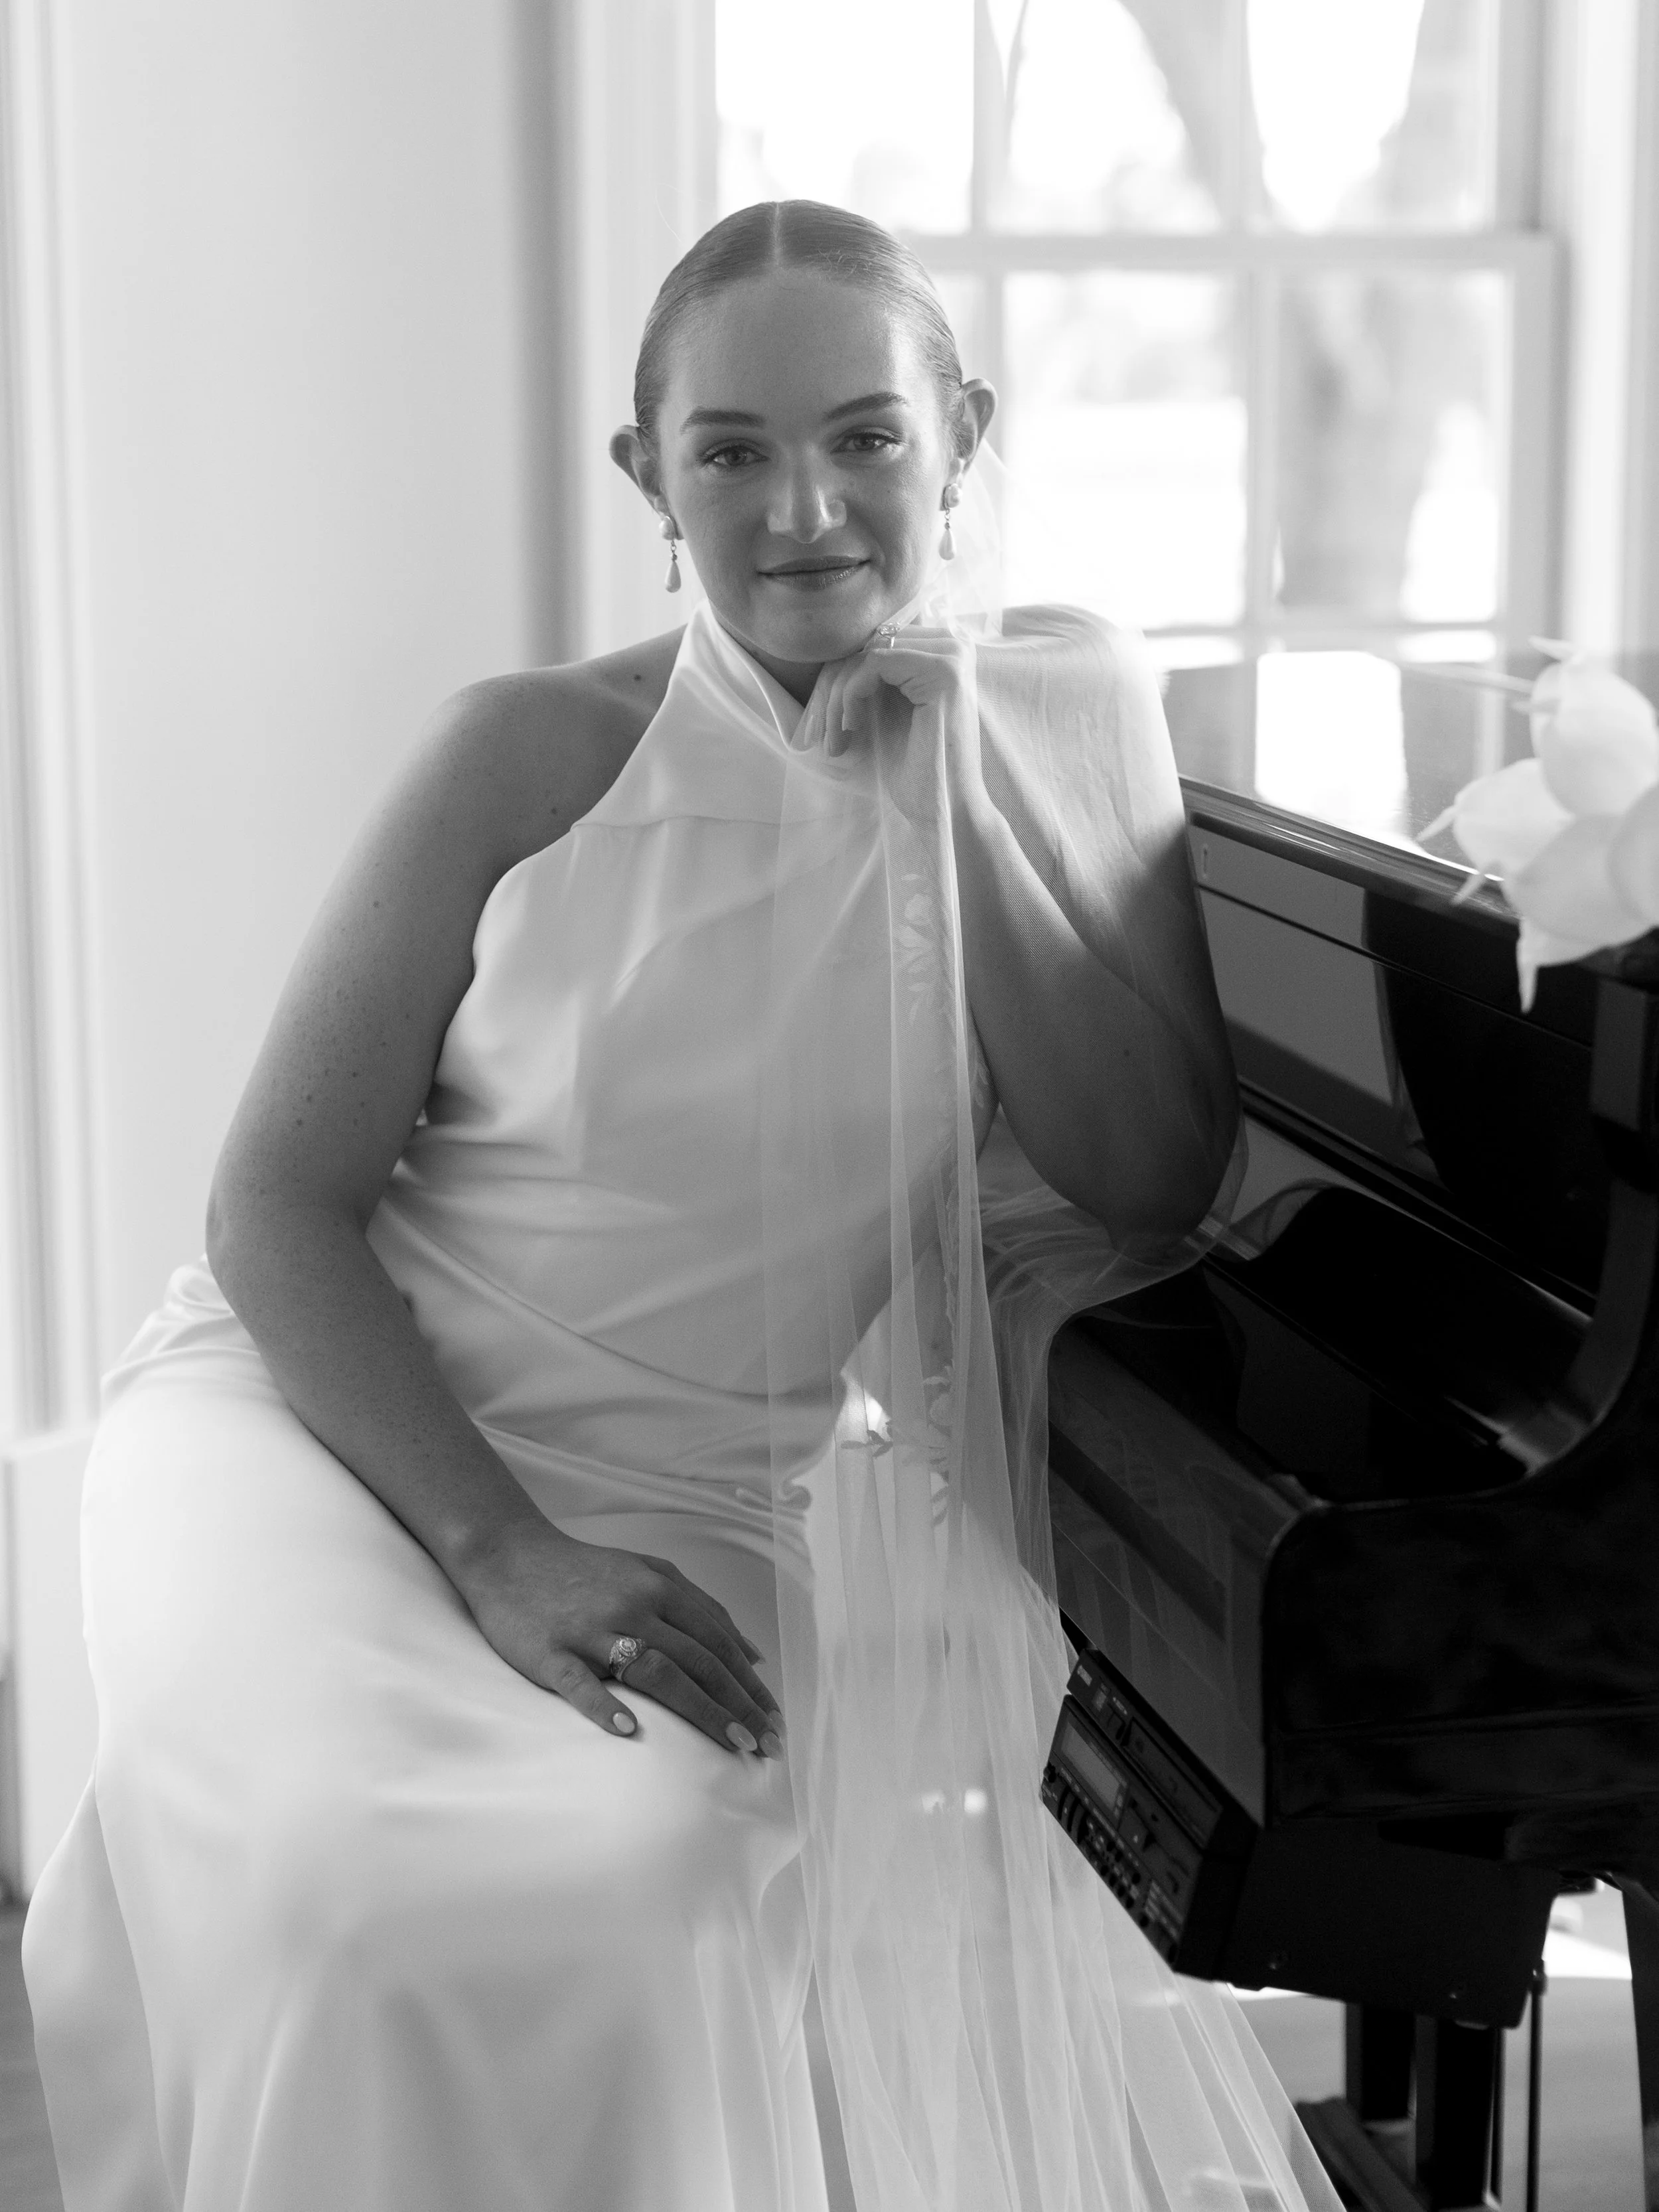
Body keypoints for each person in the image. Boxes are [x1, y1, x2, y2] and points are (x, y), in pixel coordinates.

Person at [22, 200, 1339, 2212]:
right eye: (729, 449)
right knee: (357, 1892)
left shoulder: (1069, 703)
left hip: (692, 1494)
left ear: (959, 435)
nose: (804, 505)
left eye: (866, 437)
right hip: (326, 1433)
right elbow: (271, 1201)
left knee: (631, 1887)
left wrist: (967, 767)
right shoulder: (525, 750)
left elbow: (1143, 1176)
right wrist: (496, 1544)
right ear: (650, 477)